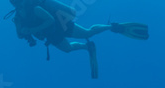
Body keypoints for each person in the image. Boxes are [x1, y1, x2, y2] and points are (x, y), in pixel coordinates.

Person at [8, 0, 148, 79]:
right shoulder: (18, 18)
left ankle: (112, 26)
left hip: (61, 25)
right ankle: (88, 47)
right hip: (52, 35)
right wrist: (20, 29)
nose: (15, 3)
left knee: (87, 33)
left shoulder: (35, 8)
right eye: (13, 2)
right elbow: (20, 35)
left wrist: (31, 30)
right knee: (68, 49)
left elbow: (50, 20)